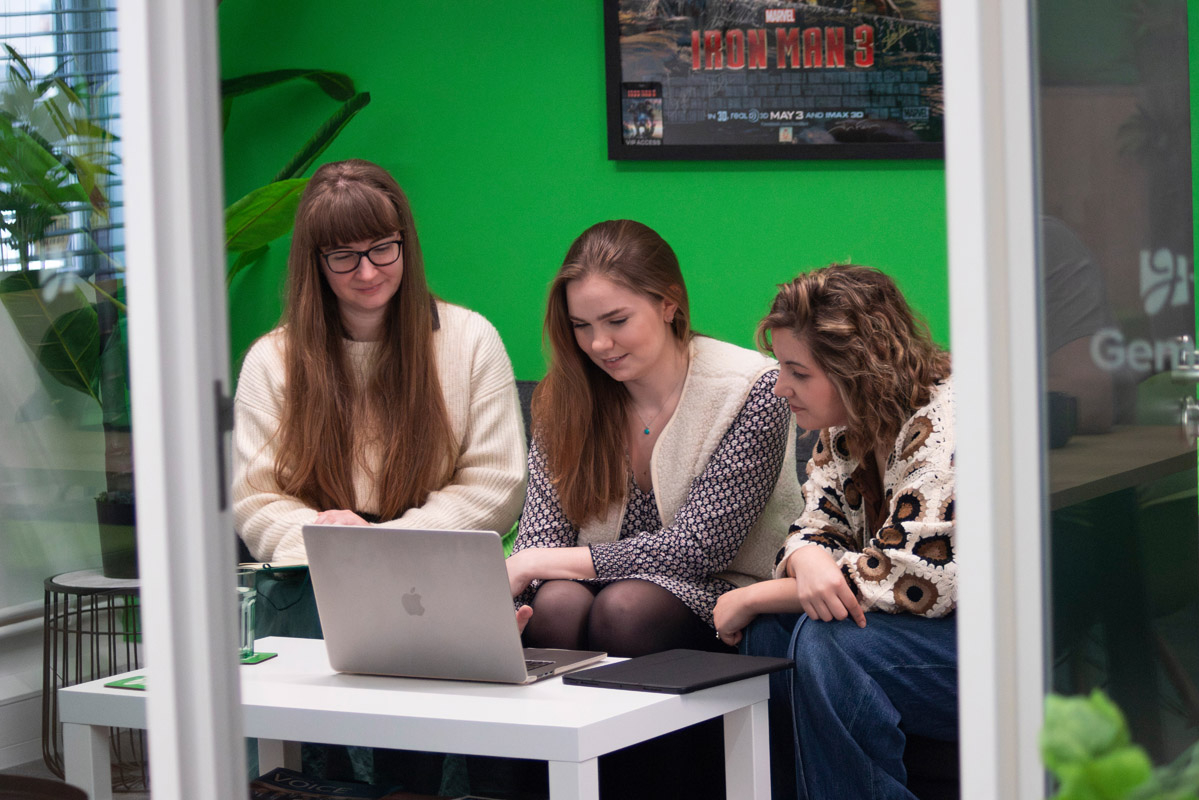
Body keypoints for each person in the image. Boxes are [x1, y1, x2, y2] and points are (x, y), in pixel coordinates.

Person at [506, 219, 804, 658]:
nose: (599, 343)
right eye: (581, 325)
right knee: (554, 604)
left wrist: (535, 564)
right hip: (593, 590)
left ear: (669, 303)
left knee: (626, 609)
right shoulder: (563, 397)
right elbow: (540, 536)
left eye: (617, 320)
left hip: (726, 593)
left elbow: (699, 549)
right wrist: (507, 606)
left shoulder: (755, 387)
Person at [714, 264, 956, 800]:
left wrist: (757, 593)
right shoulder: (846, 424)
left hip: (994, 647)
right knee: (770, 634)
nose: (781, 388)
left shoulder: (945, 429)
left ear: (857, 369)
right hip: (917, 628)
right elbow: (814, 526)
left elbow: (913, 580)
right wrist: (805, 563)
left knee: (833, 644)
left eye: (798, 373)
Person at [232, 158, 526, 563]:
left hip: (438, 569)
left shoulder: (474, 340)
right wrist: (332, 547)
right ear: (315, 262)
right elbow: (257, 499)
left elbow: (497, 487)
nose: (367, 273)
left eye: (382, 248)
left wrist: (383, 541)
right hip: (314, 576)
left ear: (405, 242)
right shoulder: (270, 361)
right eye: (343, 256)